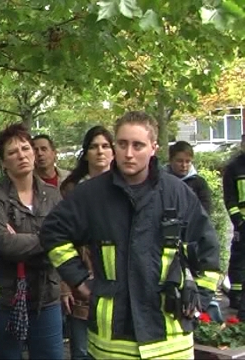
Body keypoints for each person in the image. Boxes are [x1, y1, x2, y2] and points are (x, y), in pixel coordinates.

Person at [41, 111, 221, 359]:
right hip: (112, 343)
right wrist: (78, 280)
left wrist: (199, 296)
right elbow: (52, 232)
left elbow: (208, 251)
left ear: (154, 148)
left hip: (170, 343)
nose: (128, 153)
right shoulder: (92, 195)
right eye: (122, 144)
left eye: (138, 145)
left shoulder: (177, 193)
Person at [0, 123, 64, 359]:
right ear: (3, 161)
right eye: (12, 152)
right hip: (8, 299)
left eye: (26, 148)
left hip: (46, 296)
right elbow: (5, 245)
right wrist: (47, 239)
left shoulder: (52, 195)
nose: (21, 155)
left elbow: (66, 240)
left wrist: (23, 240)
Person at [59, 125, 114, 360]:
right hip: (81, 278)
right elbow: (59, 239)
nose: (100, 152)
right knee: (82, 349)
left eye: (105, 146)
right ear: (86, 153)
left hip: (118, 282)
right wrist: (65, 283)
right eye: (94, 147)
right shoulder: (72, 190)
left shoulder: (128, 186)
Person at [222, 134, 245, 311]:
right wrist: (239, 222)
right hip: (242, 225)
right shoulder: (233, 168)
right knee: (239, 260)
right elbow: (230, 199)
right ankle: (237, 296)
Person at [166, 140, 212, 214]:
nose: (184, 165)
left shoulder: (199, 183)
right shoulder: (161, 181)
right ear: (170, 160)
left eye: (188, 161)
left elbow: (205, 212)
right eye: (179, 161)